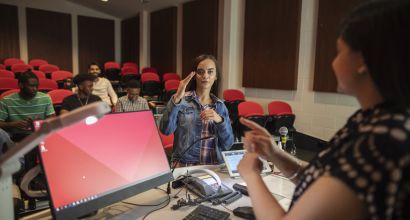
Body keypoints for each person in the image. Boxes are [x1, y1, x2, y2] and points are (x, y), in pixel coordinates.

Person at [237, 1, 410, 220]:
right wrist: (275, 153)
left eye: (339, 51)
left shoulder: (380, 143)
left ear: (363, 61)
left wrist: (251, 176)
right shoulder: (372, 121)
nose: (333, 62)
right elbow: (319, 184)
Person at [160, 54, 234, 166]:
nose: (205, 76)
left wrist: (219, 120)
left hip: (214, 168)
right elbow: (166, 130)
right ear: (194, 75)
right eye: (200, 72)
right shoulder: (181, 100)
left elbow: (228, 144)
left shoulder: (220, 106)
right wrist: (177, 98)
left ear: (216, 76)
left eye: (210, 72)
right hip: (186, 166)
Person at [0, 71, 55, 141]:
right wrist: (12, 124)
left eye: (36, 86)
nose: (35, 89)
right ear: (21, 85)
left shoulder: (45, 98)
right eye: (31, 86)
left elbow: (53, 121)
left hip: (39, 135)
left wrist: (37, 124)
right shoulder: (6, 101)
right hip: (14, 136)